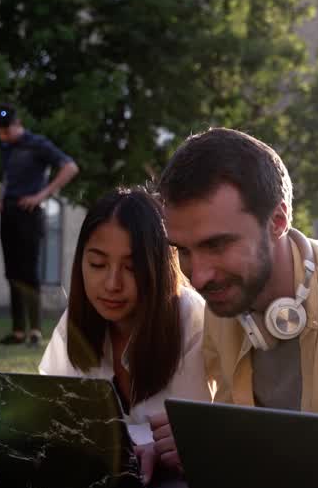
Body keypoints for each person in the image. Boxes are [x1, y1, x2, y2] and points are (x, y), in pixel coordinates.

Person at [148, 127, 318, 473]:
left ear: (278, 221)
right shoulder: (225, 298)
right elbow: (228, 433)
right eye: (183, 251)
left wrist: (220, 444)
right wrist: (197, 446)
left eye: (217, 244)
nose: (199, 276)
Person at [38, 187, 208, 449]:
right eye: (97, 264)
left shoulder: (190, 318)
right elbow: (51, 411)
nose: (112, 284)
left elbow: (191, 431)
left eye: (131, 268)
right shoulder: (78, 318)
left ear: (158, 268)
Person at [0, 104, 80, 347]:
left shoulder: (37, 144)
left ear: (18, 124)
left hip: (29, 214)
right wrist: (0, 197)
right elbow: (10, 178)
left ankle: (35, 331)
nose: (3, 135)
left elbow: (70, 167)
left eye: (6, 130)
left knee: (28, 272)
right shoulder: (6, 148)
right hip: (8, 212)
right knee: (12, 272)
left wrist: (42, 196)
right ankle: (18, 331)